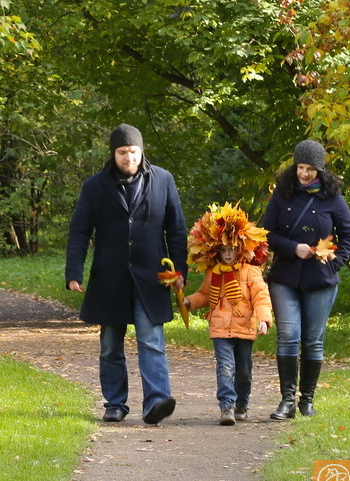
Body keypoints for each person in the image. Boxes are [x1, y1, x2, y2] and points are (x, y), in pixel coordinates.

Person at [65, 124, 188, 425]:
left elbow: (176, 229)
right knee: (110, 346)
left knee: (151, 340)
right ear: (113, 153)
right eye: (122, 152)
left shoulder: (163, 180)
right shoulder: (94, 186)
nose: (128, 157)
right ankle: (115, 403)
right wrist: (73, 271)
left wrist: (179, 270)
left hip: (152, 277)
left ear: (141, 151)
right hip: (110, 277)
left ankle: (156, 401)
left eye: (133, 151)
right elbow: (80, 230)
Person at [263, 140, 350, 419]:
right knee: (288, 336)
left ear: (320, 170)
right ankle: (287, 401)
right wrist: (293, 248)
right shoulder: (282, 195)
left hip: (320, 279)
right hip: (285, 276)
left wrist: (333, 264)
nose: (304, 174)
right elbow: (266, 234)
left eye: (310, 169)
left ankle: (307, 401)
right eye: (300, 167)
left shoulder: (333, 198)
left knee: (313, 340)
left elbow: (349, 236)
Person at [183, 241, 272, 425]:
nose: (227, 254)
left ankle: (242, 405)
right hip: (220, 328)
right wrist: (189, 301)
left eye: (231, 249)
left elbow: (261, 296)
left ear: (240, 249)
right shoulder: (214, 271)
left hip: (244, 327)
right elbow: (205, 294)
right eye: (223, 250)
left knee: (244, 371)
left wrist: (264, 319)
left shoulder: (250, 270)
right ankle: (227, 406)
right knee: (225, 367)